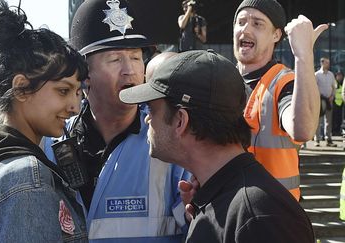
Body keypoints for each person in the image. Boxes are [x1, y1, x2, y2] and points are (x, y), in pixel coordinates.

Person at [120, 49, 315, 243]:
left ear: (181, 121)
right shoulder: (230, 204)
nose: (147, 119)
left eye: (152, 109)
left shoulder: (259, 218)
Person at [44, 0, 190, 242]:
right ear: (84, 73)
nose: (129, 70)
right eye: (115, 59)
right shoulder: (50, 143)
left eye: (135, 57)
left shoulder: (170, 139)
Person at [0, 1, 89, 242]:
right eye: (63, 91)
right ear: (21, 88)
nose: (74, 107)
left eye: (77, 92)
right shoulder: (27, 180)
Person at [228, 0, 327, 200]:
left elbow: (303, 129)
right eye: (240, 22)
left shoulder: (283, 82)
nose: (245, 29)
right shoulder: (222, 79)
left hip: (275, 217)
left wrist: (303, 55)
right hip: (227, 210)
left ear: (276, 35)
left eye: (257, 23)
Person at [314, 57, 337, 147]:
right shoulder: (317, 75)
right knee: (318, 121)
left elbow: (334, 87)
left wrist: (332, 96)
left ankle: (328, 139)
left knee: (328, 121)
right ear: (322, 63)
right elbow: (314, 87)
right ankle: (317, 139)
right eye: (327, 63)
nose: (328, 64)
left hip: (329, 99)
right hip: (320, 100)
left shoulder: (331, 74)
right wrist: (319, 97)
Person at [333, 71, 343, 136]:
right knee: (334, 119)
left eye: (341, 76)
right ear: (336, 76)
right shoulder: (335, 83)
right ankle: (334, 131)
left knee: (339, 119)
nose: (340, 77)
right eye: (338, 76)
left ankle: (338, 131)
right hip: (335, 103)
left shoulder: (342, 83)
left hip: (341, 103)